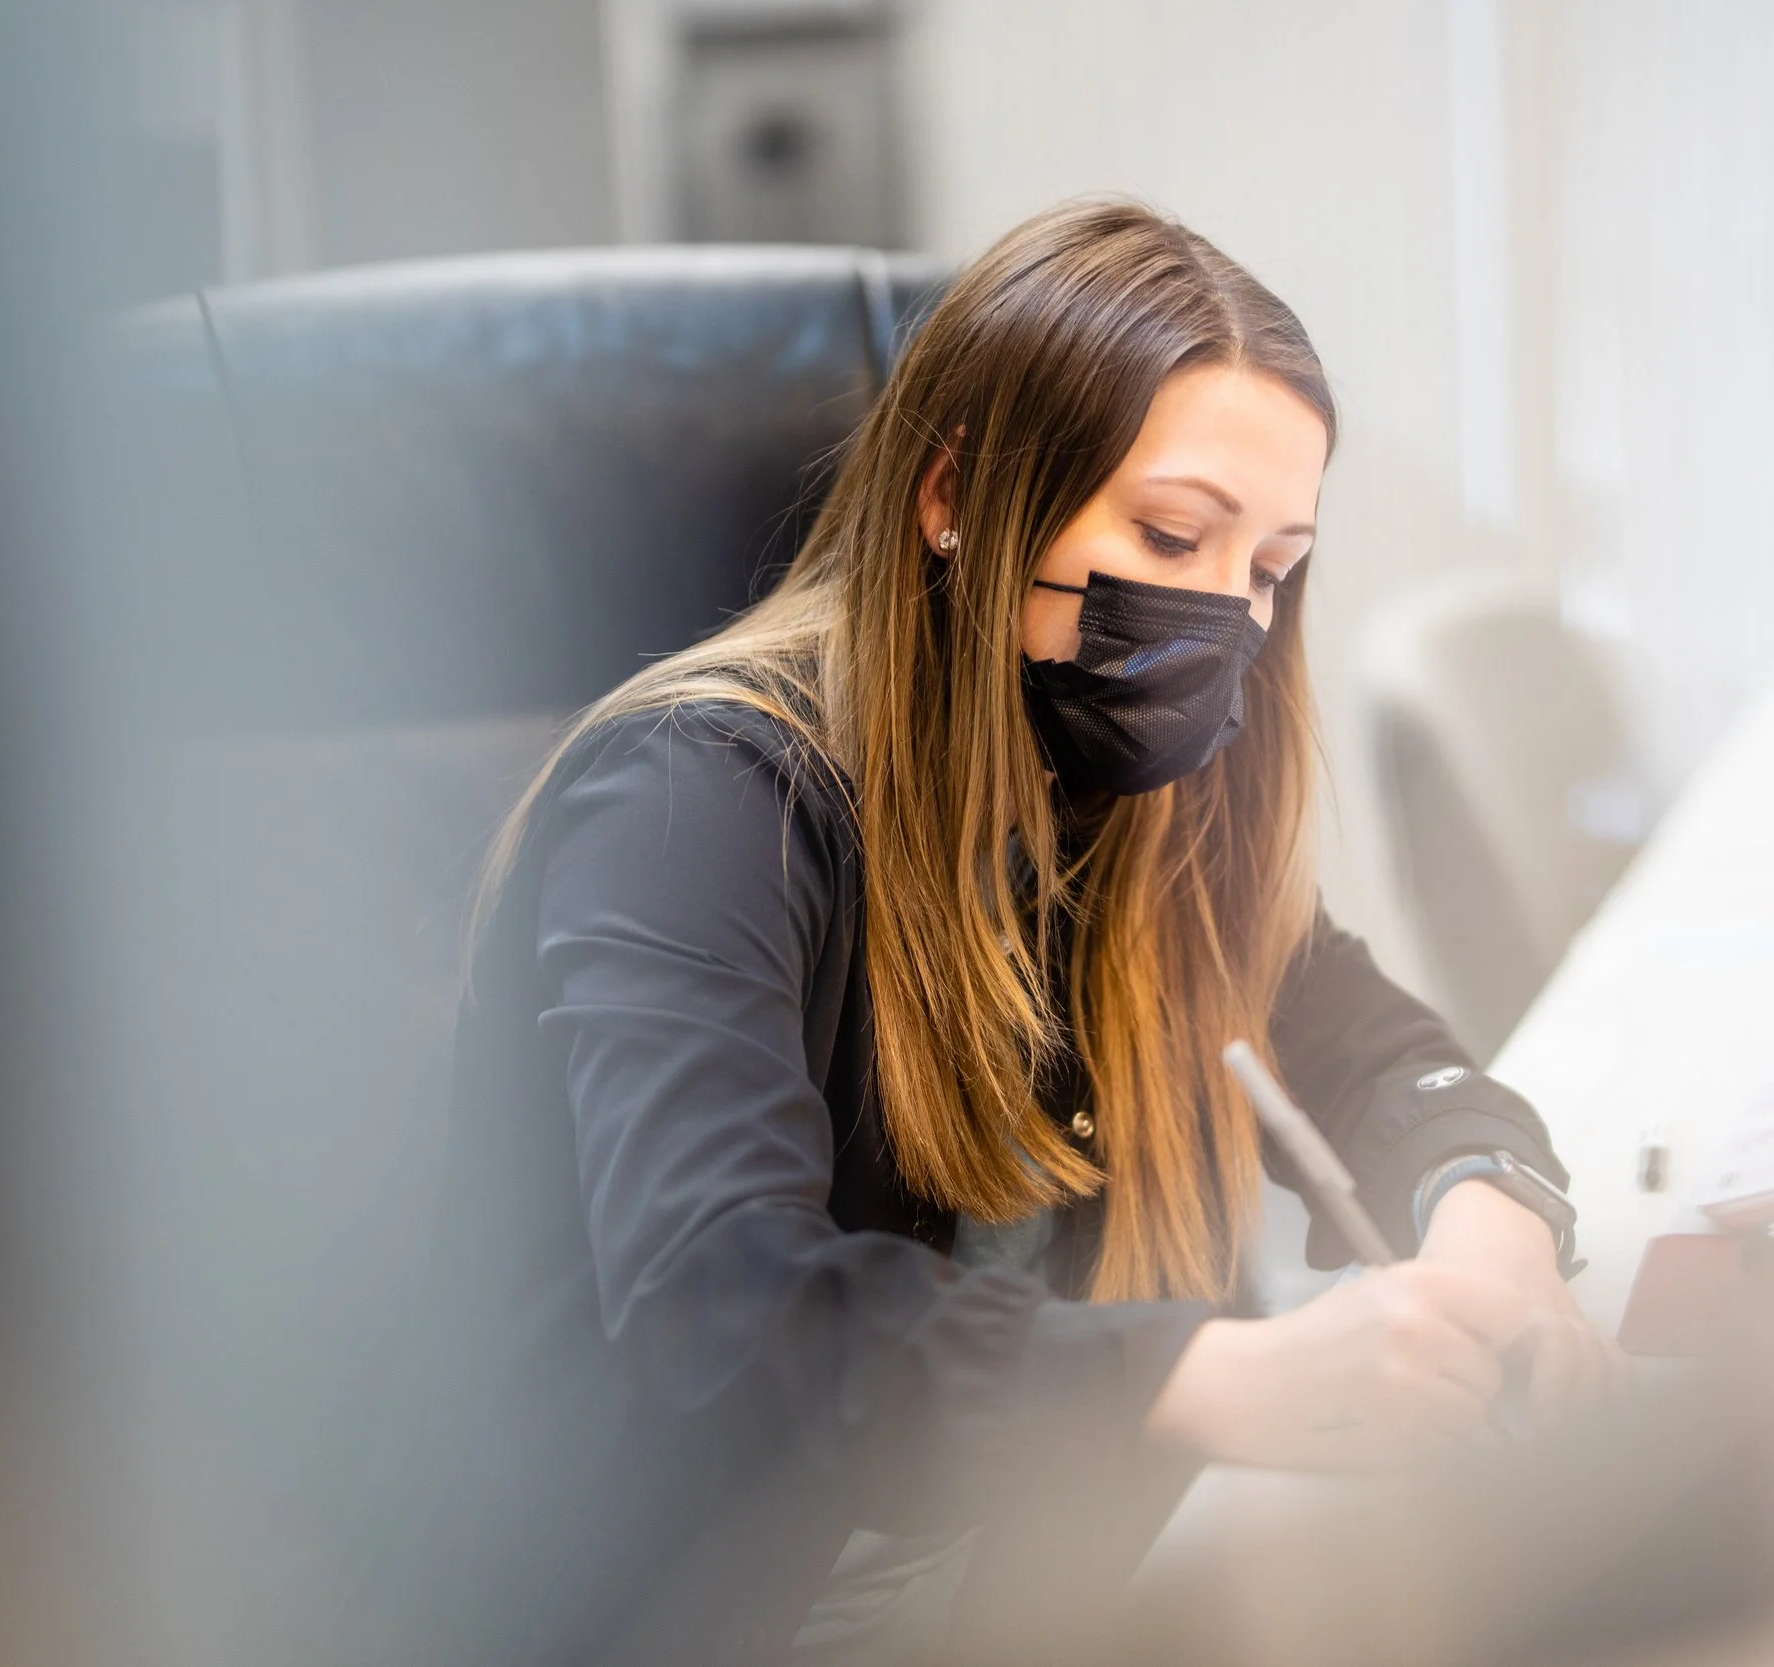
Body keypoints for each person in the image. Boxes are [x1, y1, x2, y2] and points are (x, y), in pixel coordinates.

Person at [350, 200, 1619, 1667]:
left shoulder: (1140, 807)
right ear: (955, 498)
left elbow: (1386, 1055)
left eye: (1269, 568)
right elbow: (729, 1313)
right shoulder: (700, 801)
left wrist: (1491, 1236)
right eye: (1170, 531)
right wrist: (1217, 1378)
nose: (1227, 615)